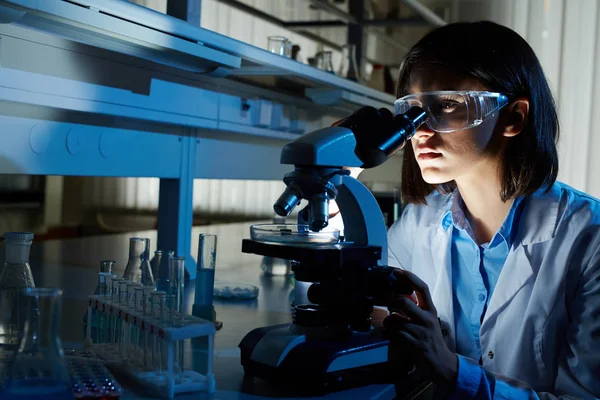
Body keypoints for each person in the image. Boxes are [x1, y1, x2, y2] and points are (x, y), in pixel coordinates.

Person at [383, 21, 600, 399]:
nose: (420, 131)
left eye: (447, 105)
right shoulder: (415, 226)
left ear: (513, 117)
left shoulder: (589, 239)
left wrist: (453, 371)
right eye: (414, 110)